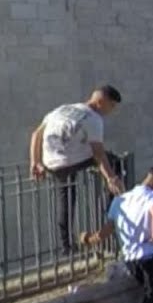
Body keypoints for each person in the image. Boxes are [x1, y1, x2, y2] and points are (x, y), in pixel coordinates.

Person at [29, 85, 124, 253]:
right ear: (102, 102)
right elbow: (98, 153)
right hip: (69, 161)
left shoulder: (61, 109)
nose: (112, 111)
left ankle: (66, 245)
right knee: (113, 160)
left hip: (50, 163)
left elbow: (36, 135)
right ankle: (112, 207)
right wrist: (110, 178)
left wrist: (35, 162)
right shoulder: (93, 119)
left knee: (66, 196)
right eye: (112, 106)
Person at [81, 165, 153, 303]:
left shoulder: (120, 200)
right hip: (152, 254)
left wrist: (89, 239)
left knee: (147, 293)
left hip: (132, 258)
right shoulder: (151, 196)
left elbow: (107, 229)